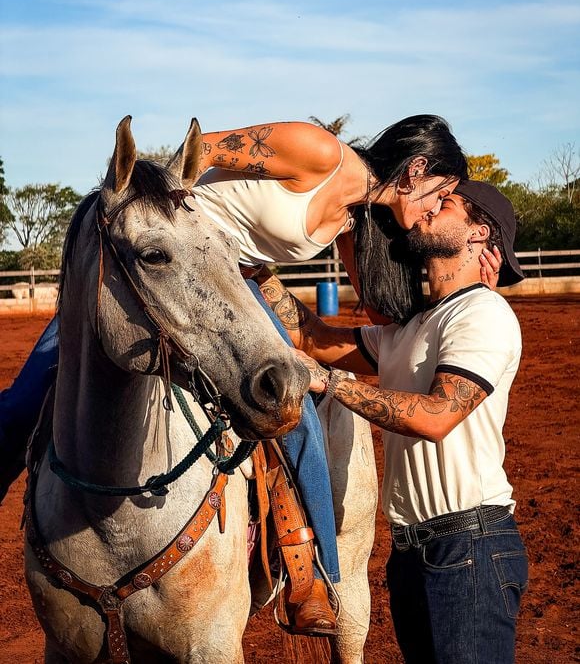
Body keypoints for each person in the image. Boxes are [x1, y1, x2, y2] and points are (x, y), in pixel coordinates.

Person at [0, 115, 495, 635]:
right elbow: (202, 152)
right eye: (442, 193)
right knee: (23, 399)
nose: (435, 210)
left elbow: (376, 311)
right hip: (171, 260)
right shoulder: (322, 153)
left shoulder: (354, 220)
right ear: (417, 169)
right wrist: (173, 230)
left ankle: (315, 575)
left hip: (234, 287)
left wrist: (449, 285)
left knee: (298, 411)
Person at [255, 180, 528, 663]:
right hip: (414, 554)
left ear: (478, 233)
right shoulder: (412, 327)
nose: (425, 210)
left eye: (444, 204)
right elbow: (314, 338)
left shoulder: (482, 313)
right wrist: (255, 272)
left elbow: (438, 416)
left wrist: (331, 383)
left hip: (470, 548)